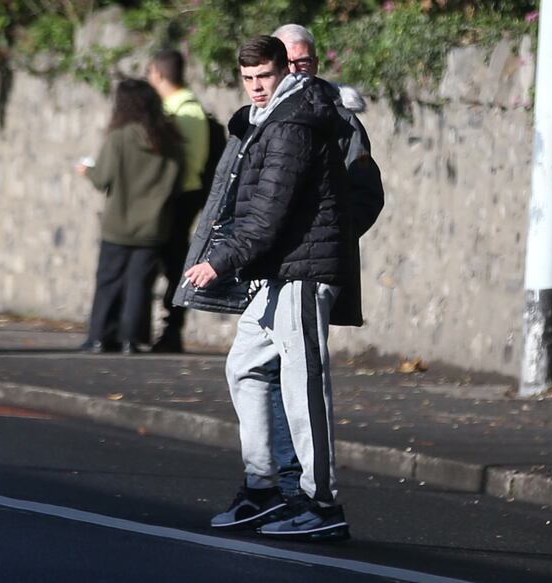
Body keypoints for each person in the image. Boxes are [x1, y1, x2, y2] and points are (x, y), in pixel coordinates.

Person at [184, 35, 353, 541]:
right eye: (248, 79)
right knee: (245, 365)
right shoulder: (269, 121)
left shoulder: (293, 124)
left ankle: (322, 504)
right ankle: (263, 489)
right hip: (278, 272)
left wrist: (218, 261)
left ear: (286, 72)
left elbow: (267, 213)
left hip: (303, 272)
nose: (256, 88)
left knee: (305, 387)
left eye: (265, 77)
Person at [268, 23, 385, 499]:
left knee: (299, 376)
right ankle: (274, 480)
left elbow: (366, 193)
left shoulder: (339, 121)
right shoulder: (263, 117)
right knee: (258, 370)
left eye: (305, 62)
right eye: (289, 63)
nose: (298, 71)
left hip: (307, 269)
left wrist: (323, 240)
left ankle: (302, 488)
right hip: (267, 271)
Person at [77, 79, 184, 355]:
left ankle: (100, 338)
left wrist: (86, 170)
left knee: (109, 280)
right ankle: (131, 340)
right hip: (154, 225)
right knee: (140, 284)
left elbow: (102, 178)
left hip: (118, 224)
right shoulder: (169, 139)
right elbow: (176, 181)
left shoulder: (119, 137)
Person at [146, 49, 210, 353]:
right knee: (174, 263)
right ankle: (170, 329)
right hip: (191, 193)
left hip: (175, 196)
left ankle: (170, 331)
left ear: (157, 74)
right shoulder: (195, 108)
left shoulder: (177, 111)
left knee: (170, 265)